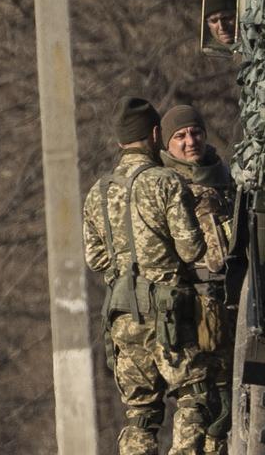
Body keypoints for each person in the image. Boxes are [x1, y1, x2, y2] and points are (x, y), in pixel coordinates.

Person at [83, 96, 210, 455]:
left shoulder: (98, 192)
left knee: (140, 414)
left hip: (122, 314)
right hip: (167, 312)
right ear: (156, 134)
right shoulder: (165, 182)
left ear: (121, 141)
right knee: (193, 395)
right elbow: (190, 250)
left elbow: (95, 259)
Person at [160, 104, 236, 454]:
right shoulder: (166, 185)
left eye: (195, 133)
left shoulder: (224, 177)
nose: (190, 142)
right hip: (191, 302)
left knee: (224, 407)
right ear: (167, 144)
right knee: (196, 402)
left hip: (228, 298)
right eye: (180, 136)